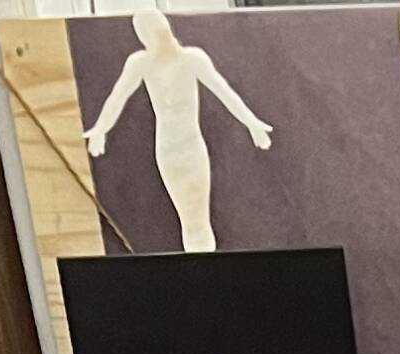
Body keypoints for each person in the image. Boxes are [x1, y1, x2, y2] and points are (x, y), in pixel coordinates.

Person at [85, 8, 271, 255]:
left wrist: (252, 123)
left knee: (199, 220)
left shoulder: (192, 59)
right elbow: (117, 97)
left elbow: (224, 93)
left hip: (191, 149)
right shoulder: (140, 63)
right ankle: (196, 275)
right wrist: (101, 129)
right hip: (168, 153)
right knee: (187, 221)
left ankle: (211, 271)